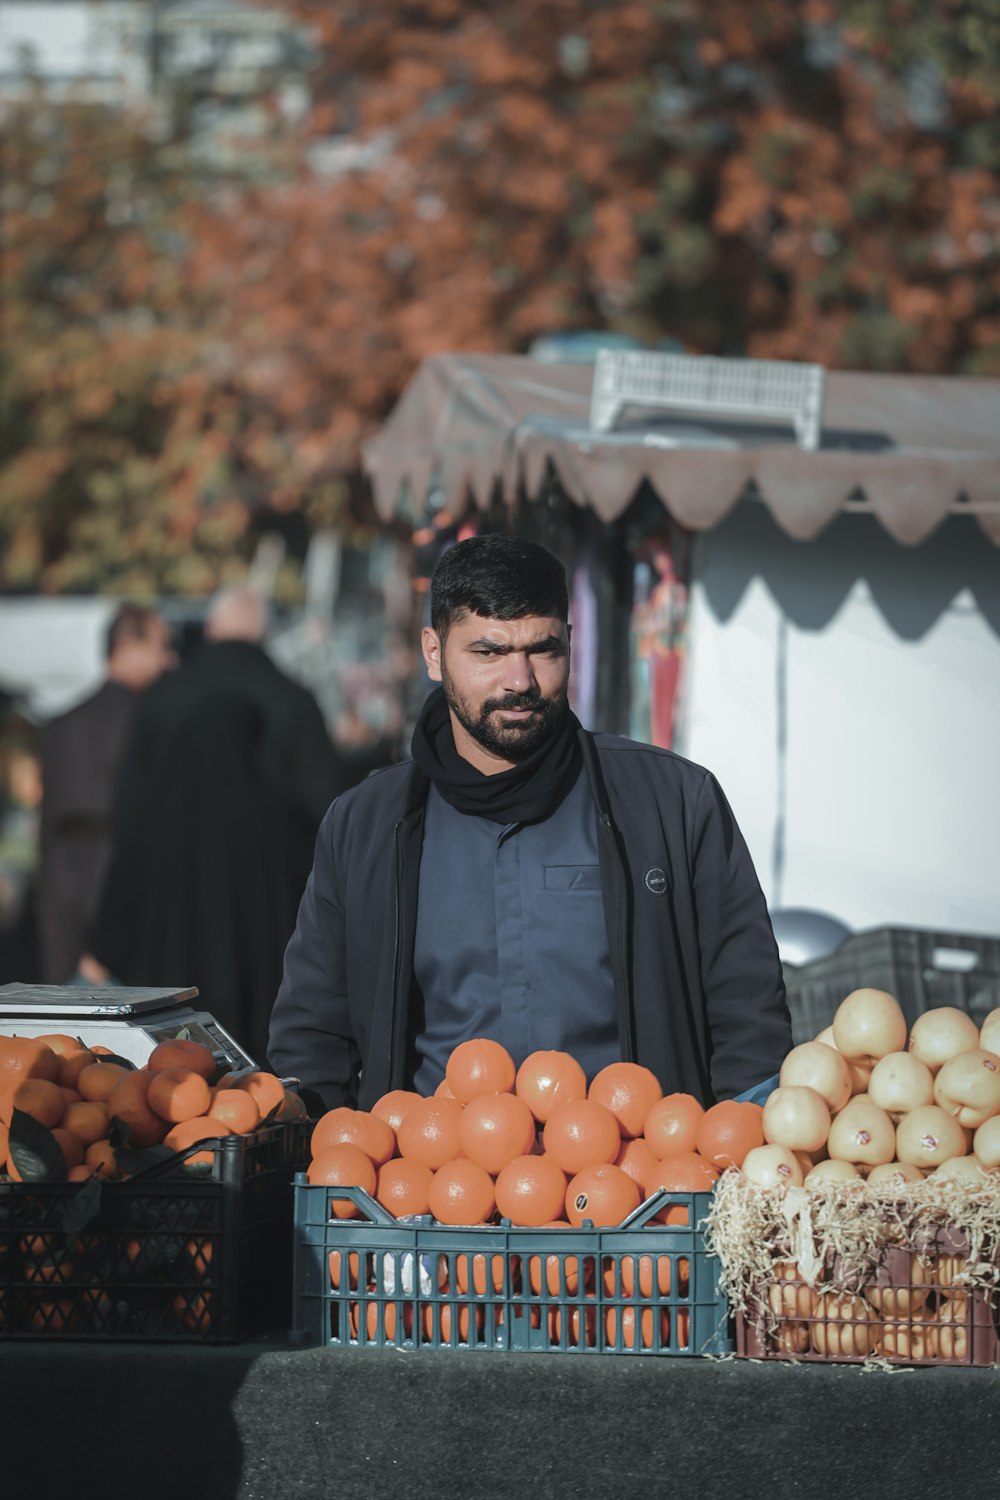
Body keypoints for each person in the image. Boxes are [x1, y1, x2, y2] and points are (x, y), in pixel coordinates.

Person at [268, 534, 792, 1115]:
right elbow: (312, 1035)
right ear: (434, 653)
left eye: (542, 650)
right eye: (489, 652)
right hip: (423, 1191)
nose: (520, 680)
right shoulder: (365, 825)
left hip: (643, 1193)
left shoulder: (672, 802)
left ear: (571, 642)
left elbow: (748, 1017)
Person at [83, 585, 347, 1064]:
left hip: (168, 921)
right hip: (268, 929)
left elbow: (129, 820)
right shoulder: (291, 700)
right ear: (264, 631)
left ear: (211, 629)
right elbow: (330, 820)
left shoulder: (164, 696)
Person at [37, 602, 175, 983]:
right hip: (121, 880)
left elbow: (46, 822)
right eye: (162, 647)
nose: (170, 660)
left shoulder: (61, 725)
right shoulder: (149, 723)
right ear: (129, 646)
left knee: (61, 1025)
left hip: (61, 882)